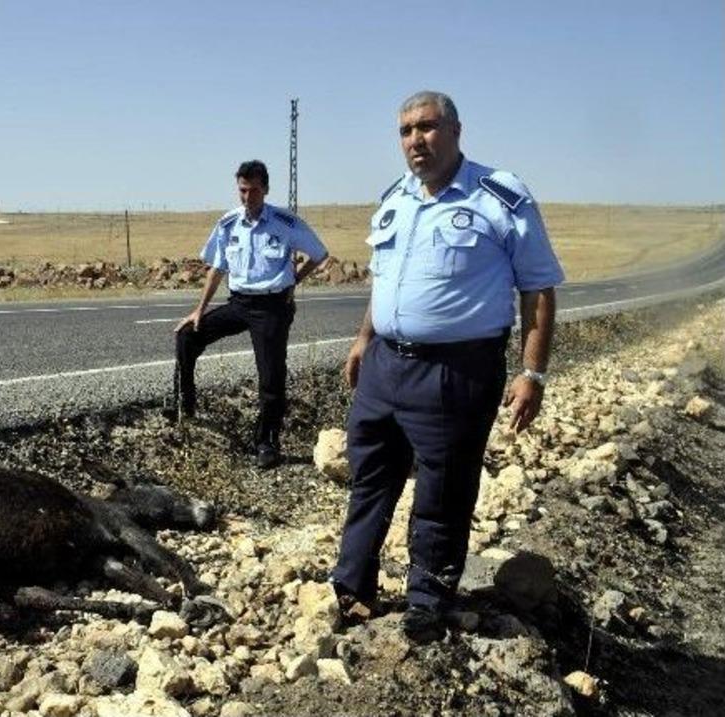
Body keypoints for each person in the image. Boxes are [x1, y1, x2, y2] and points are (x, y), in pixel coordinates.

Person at [331, 91, 564, 643]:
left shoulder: (500, 196)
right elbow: (386, 279)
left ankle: (427, 600)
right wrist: (364, 339)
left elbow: (538, 288)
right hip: (386, 365)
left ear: (456, 130)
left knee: (443, 490)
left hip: (456, 371)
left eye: (428, 127)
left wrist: (532, 373)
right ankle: (351, 587)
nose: (416, 140)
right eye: (406, 130)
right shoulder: (395, 198)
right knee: (370, 477)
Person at [173, 160, 329, 469]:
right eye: (243, 190)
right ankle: (184, 404)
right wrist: (199, 310)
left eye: (254, 190)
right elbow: (217, 268)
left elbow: (319, 254)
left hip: (272, 307)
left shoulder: (285, 222)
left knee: (271, 377)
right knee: (187, 336)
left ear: (266, 189)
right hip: (239, 302)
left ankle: (267, 442)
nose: (247, 197)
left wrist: (294, 280)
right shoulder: (228, 223)